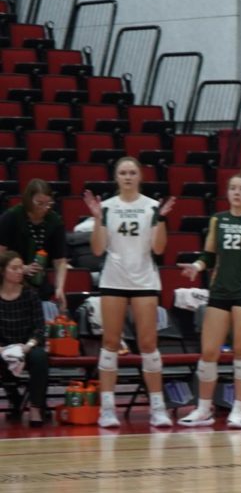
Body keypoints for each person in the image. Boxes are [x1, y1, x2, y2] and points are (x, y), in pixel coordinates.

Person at [83, 157, 176, 429]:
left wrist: (161, 220)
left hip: (145, 281)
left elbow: (159, 249)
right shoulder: (108, 208)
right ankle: (107, 408)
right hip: (113, 279)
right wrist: (98, 218)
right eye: (122, 172)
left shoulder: (152, 207)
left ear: (140, 177)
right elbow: (98, 250)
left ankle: (158, 408)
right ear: (116, 177)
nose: (127, 176)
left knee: (148, 344)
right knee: (110, 343)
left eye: (132, 172)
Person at [177, 169, 241, 428]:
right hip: (219, 291)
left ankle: (239, 410)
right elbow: (208, 255)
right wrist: (196, 267)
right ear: (228, 192)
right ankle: (203, 409)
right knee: (208, 351)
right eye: (233, 189)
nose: (237, 193)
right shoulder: (217, 220)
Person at [0, 179, 67, 311]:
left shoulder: (55, 221)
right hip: (10, 284)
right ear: (28, 200)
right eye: (39, 203)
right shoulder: (11, 217)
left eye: (48, 204)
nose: (44, 208)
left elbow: (60, 261)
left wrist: (60, 288)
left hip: (40, 287)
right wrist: (22, 269)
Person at [0, 251, 50, 426]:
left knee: (40, 357)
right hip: (3, 347)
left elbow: (39, 328)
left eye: (21, 267)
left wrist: (28, 345)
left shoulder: (30, 294)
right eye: (14, 268)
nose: (19, 271)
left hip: (27, 345)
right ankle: (15, 399)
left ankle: (36, 408)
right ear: (3, 271)